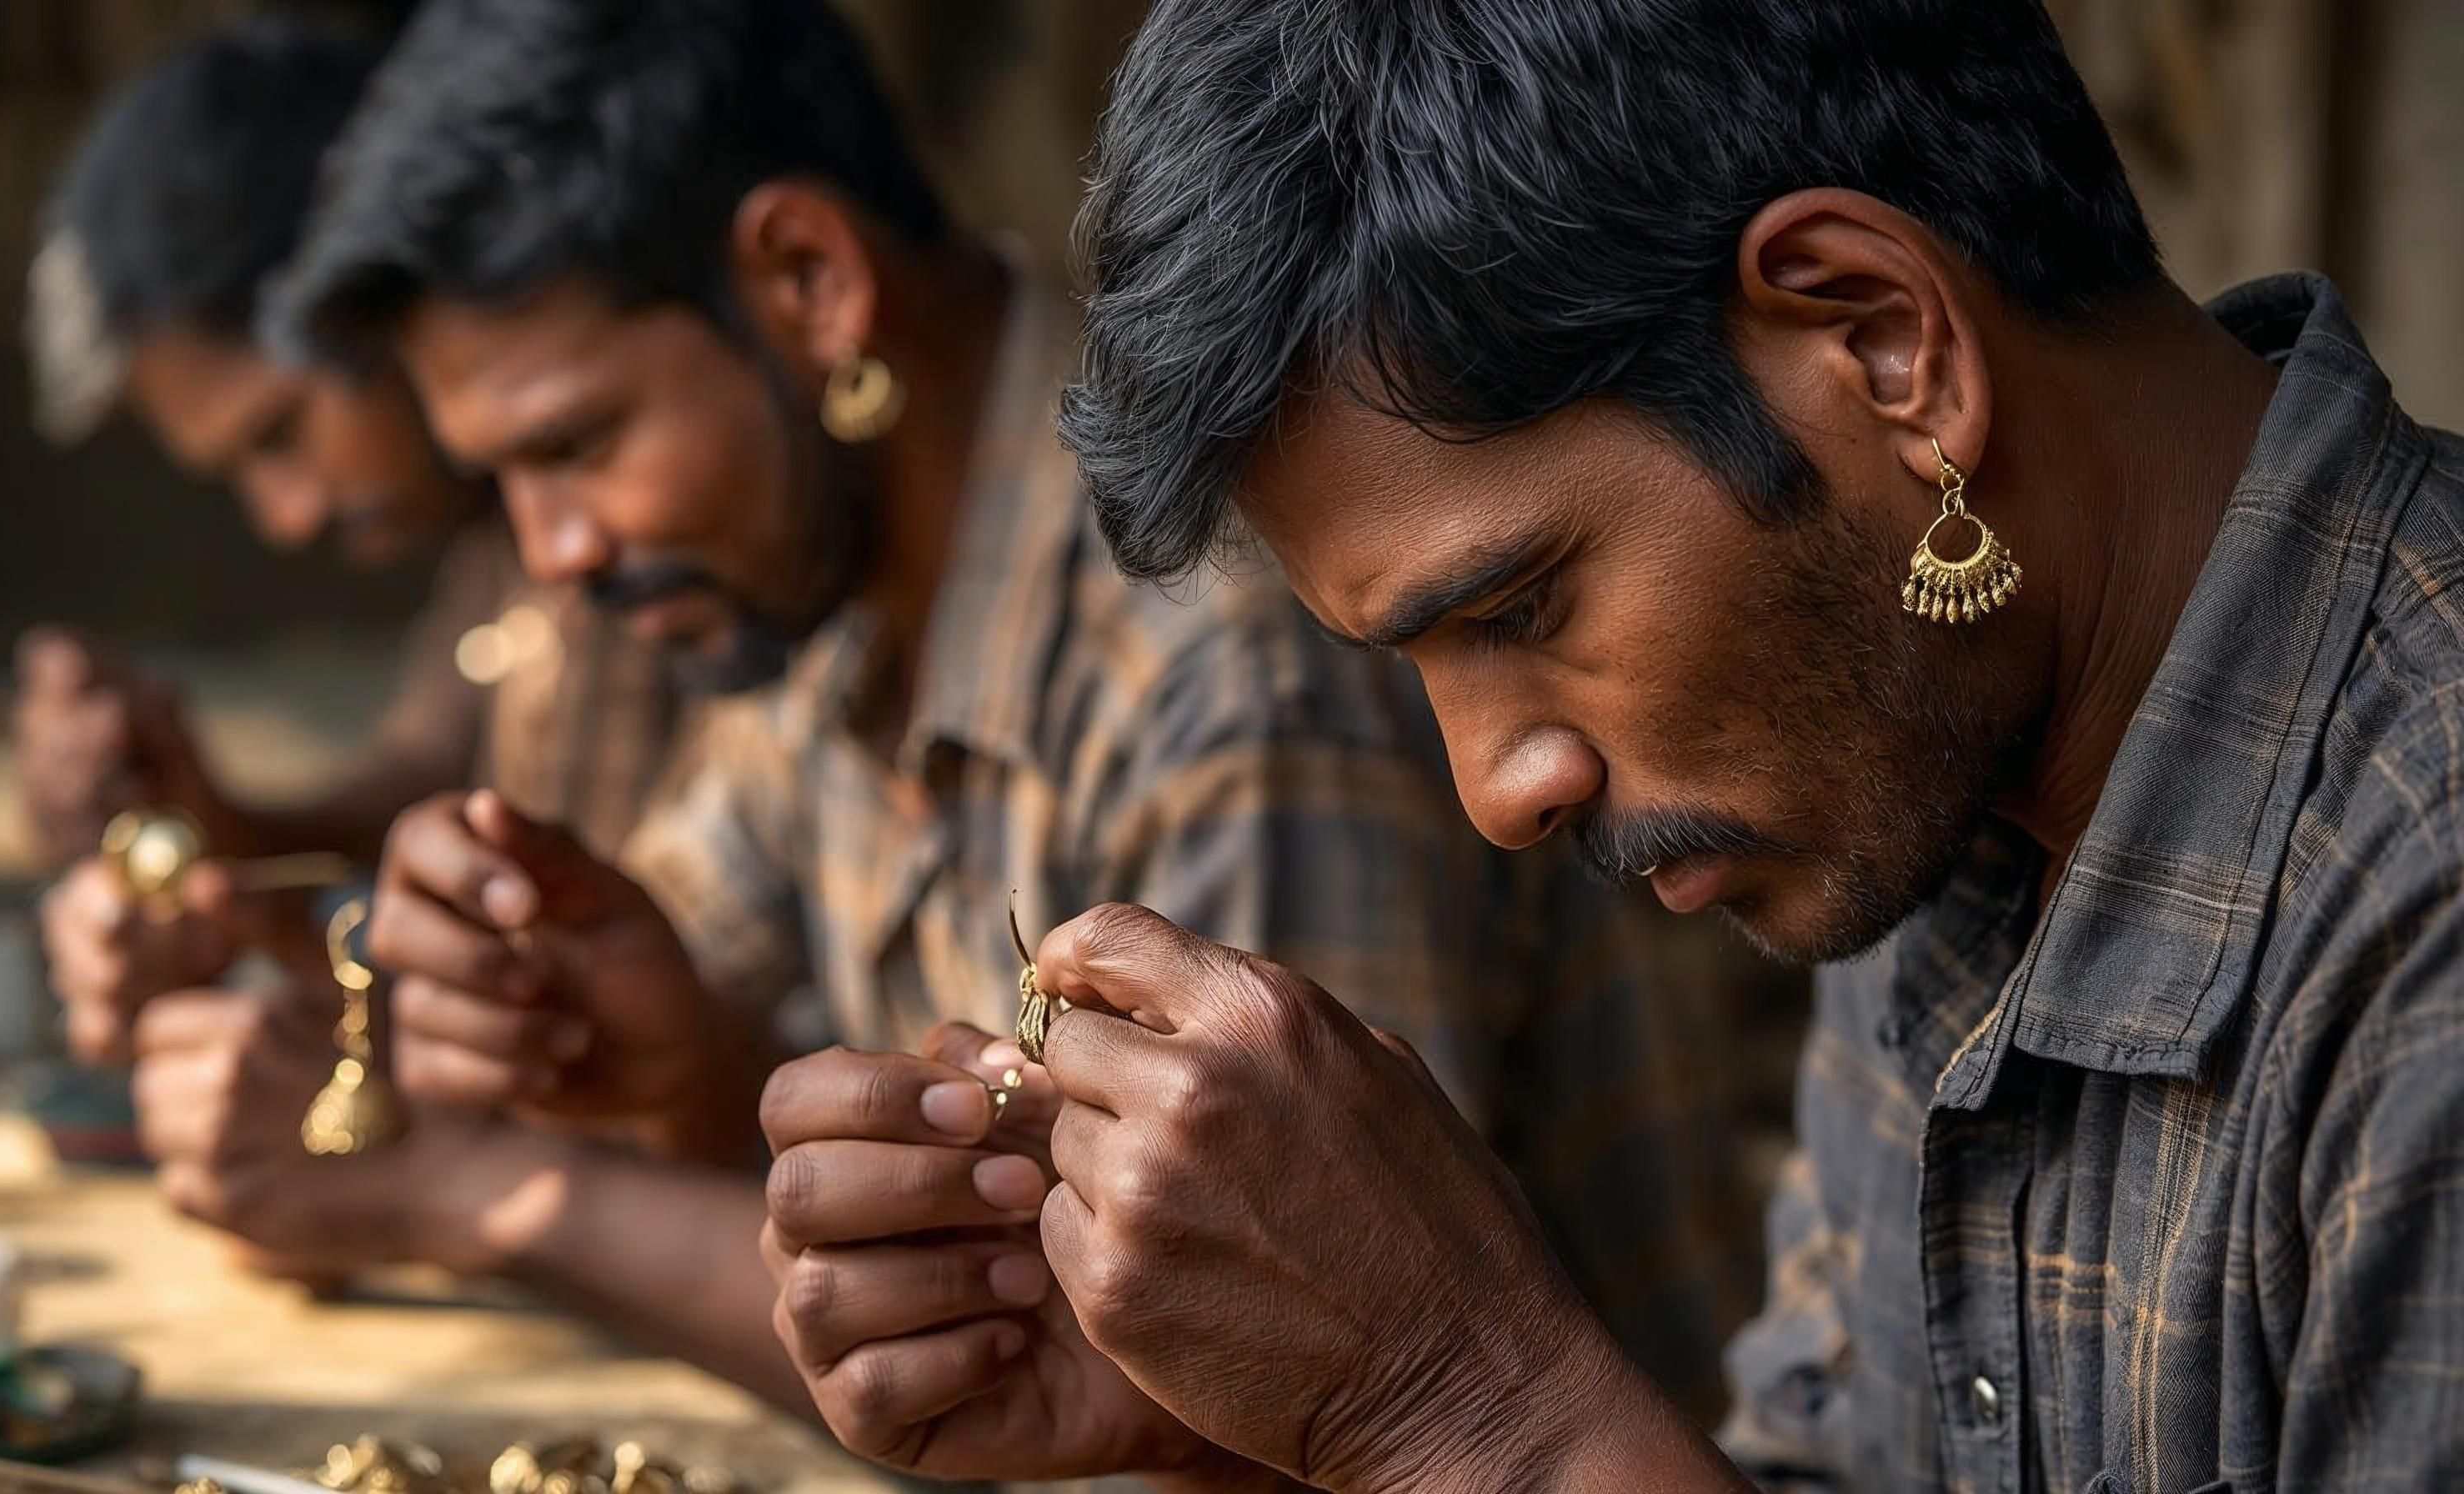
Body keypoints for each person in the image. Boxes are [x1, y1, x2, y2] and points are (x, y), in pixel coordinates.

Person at [758, 0, 2464, 1490]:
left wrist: (1469, 1412)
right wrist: (1256, 1441)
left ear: (1881, 341)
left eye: (1514, 607)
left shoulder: (2421, 900)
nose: (1500, 792)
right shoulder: (1936, 756)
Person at [197, 0, 1779, 1431]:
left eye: (581, 443)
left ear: (810, 286)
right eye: (510, 484)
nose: (551, 552)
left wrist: (482, 1188)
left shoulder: (1222, 661)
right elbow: (697, 1025)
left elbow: (1303, 1364)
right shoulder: (816, 616)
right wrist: (639, 1056)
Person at [24, 19, 679, 1266]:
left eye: (280, 436)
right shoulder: (505, 548)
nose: (287, 518)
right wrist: (222, 832)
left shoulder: (640, 543)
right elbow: (429, 781)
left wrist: (427, 1153)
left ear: (362, 300)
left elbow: (682, 1027)